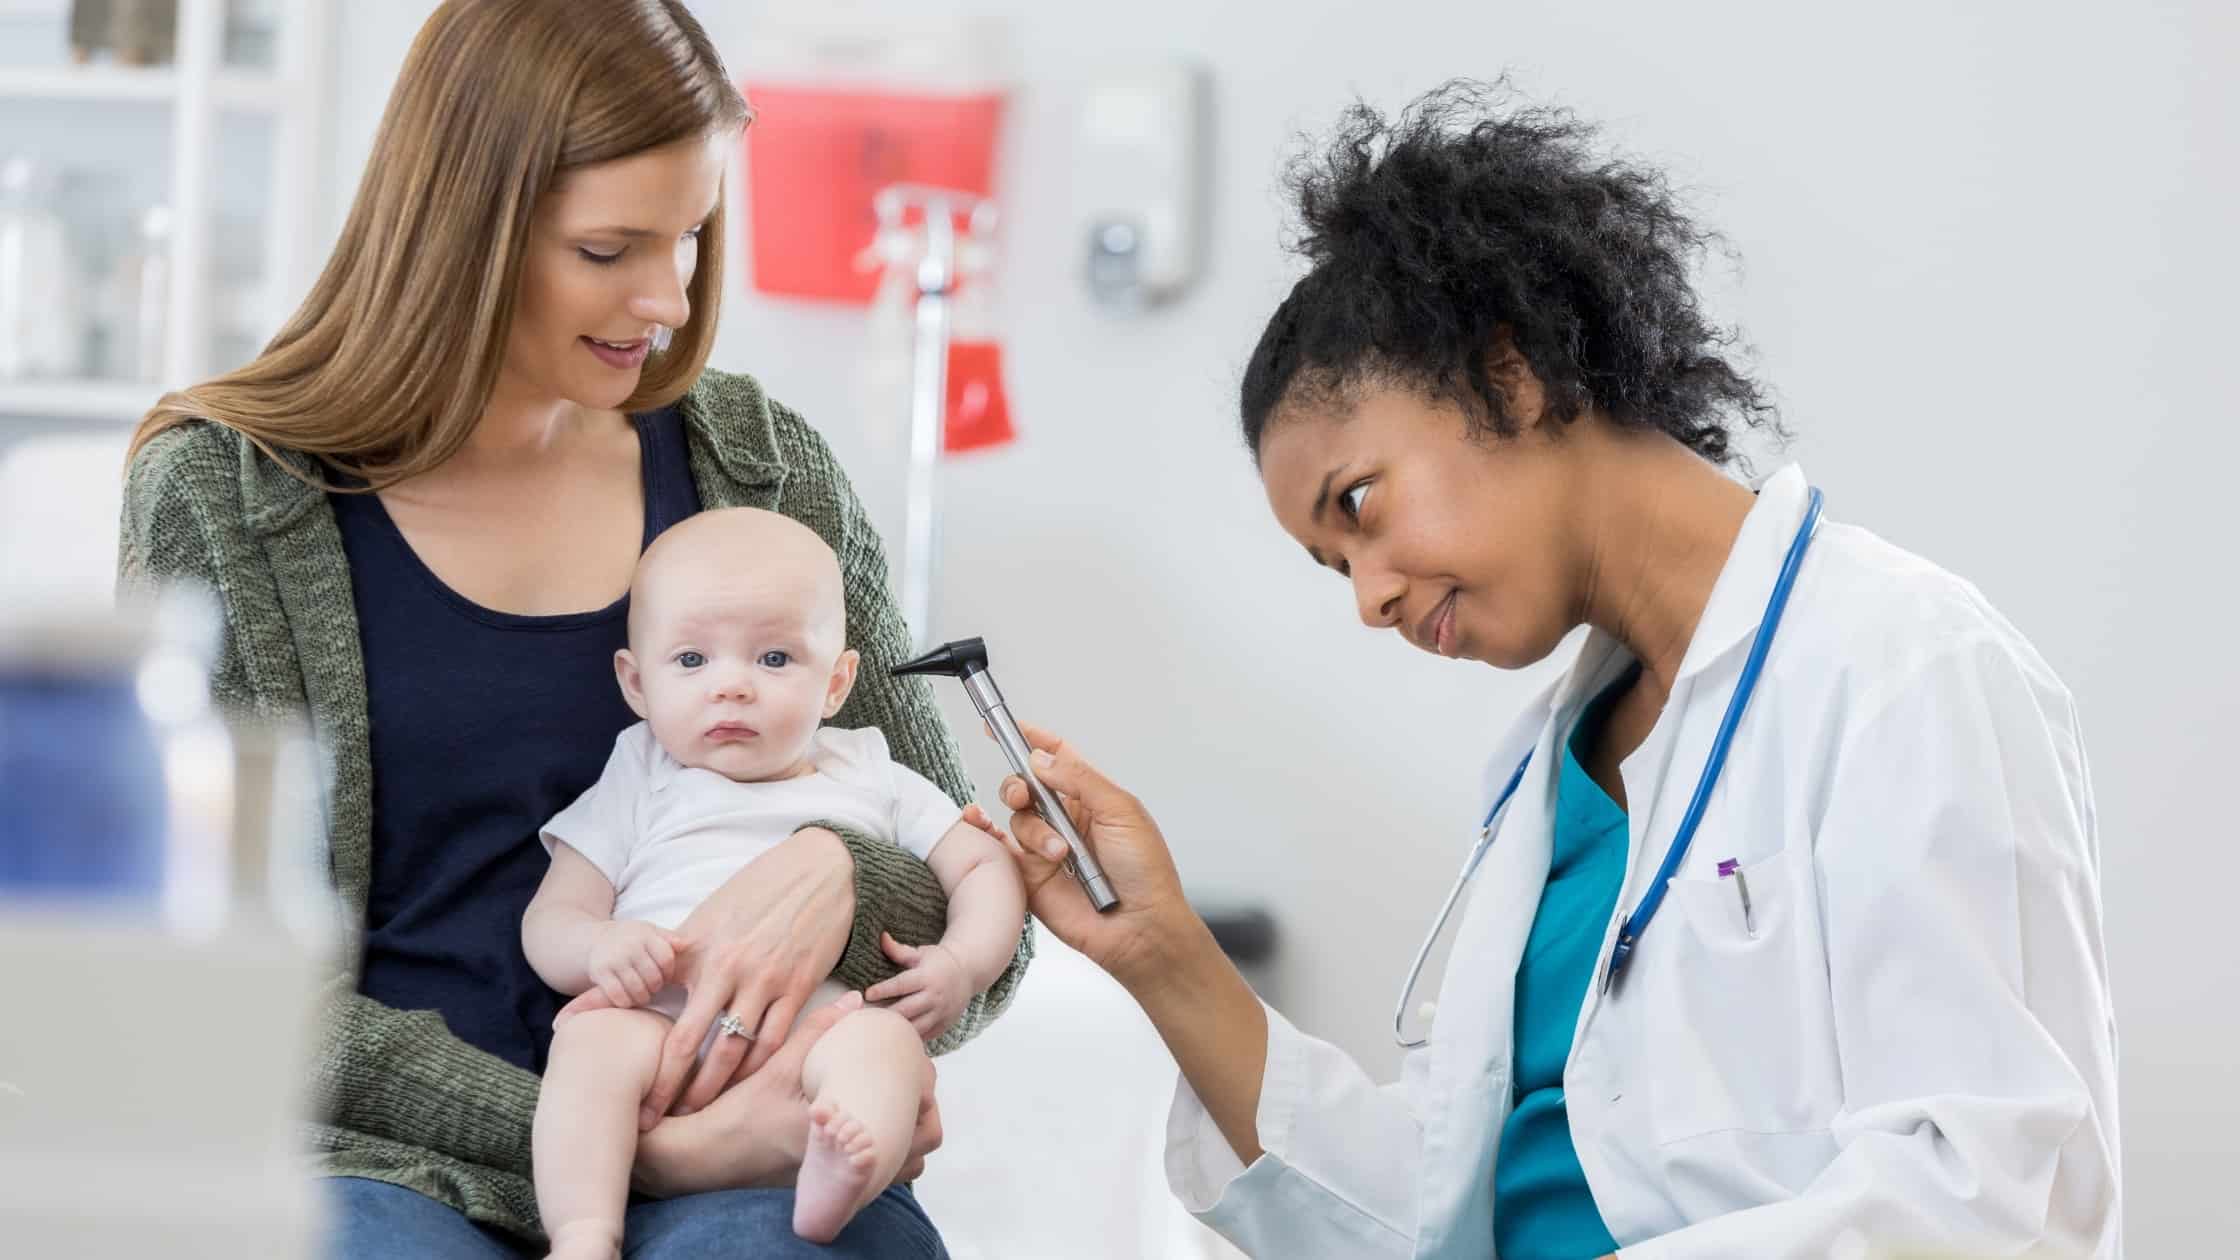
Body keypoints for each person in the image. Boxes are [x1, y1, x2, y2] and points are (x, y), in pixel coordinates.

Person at [994, 82, 2119, 1258]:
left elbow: (1990, 1200)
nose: (1371, 598)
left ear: (1511, 376)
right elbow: (1440, 1213)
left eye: (1360, 505)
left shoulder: (1903, 667)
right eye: (1334, 568)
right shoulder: (1543, 768)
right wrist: (1160, 948)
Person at [116, 2, 1028, 1256]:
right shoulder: (222, 496)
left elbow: (973, 908)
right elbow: (221, 978)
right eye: (609, 249)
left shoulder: (756, 466)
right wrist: (621, 1145)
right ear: (463, 231)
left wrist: (835, 870)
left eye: (692, 238)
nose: (664, 298)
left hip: (750, 1141)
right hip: (379, 1156)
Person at [525, 509, 1027, 1256]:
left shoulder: (870, 772)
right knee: (587, 1048)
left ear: (836, 681)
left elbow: (985, 866)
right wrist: (598, 946)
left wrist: (962, 964)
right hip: (659, 1026)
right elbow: (553, 914)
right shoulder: (638, 776)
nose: (731, 687)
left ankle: (842, 1171)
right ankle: (584, 1230)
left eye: (773, 660)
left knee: (885, 1050)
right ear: (636, 682)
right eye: (692, 661)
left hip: (817, 1037)